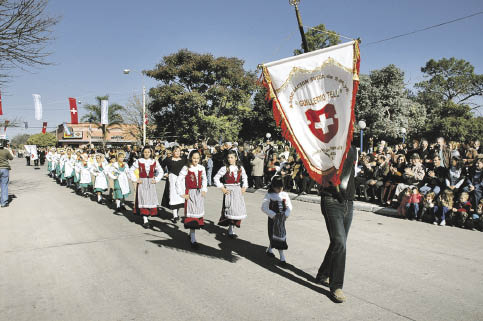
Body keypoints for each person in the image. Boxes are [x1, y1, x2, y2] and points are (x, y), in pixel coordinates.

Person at [315, 146, 356, 303]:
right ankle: (336, 286)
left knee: (338, 242)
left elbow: (350, 173)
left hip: (348, 201)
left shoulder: (352, 148)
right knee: (340, 242)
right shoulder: (327, 146)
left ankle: (323, 274)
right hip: (331, 199)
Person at [176, 150, 207, 249]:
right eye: (194, 158)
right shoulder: (186, 168)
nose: (196, 160)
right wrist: (181, 193)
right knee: (192, 216)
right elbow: (178, 180)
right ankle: (193, 239)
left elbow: (205, 179)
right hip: (190, 193)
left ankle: (191, 234)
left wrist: (204, 189)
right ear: (190, 158)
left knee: (196, 215)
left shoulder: (201, 168)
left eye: (198, 158)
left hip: (199, 194)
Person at [214, 150, 248, 239]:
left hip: (237, 190)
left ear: (236, 158)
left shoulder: (240, 168)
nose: (230, 159)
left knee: (237, 210)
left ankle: (231, 229)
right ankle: (230, 229)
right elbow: (216, 178)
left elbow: (245, 177)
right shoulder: (225, 168)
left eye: (232, 157)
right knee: (230, 209)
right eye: (228, 157)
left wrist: (244, 187)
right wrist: (222, 188)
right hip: (229, 190)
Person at [130, 147, 164, 229]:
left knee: (150, 199)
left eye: (148, 152)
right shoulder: (139, 161)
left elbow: (161, 171)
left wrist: (156, 179)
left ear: (151, 153)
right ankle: (145, 220)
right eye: (145, 152)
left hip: (151, 183)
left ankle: (148, 215)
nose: (147, 153)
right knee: (143, 199)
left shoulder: (154, 161)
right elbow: (130, 170)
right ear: (142, 153)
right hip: (142, 182)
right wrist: (136, 179)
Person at [261, 175, 292, 265]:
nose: (280, 189)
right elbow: (264, 207)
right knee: (274, 235)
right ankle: (282, 257)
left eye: (281, 187)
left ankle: (269, 249)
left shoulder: (285, 195)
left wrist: (286, 215)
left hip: (282, 219)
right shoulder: (269, 195)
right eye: (277, 187)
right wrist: (273, 215)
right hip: (273, 219)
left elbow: (289, 206)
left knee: (280, 235)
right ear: (273, 186)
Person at [161, 146, 186, 222]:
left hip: (181, 182)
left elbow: (189, 167)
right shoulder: (168, 160)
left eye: (179, 151)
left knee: (179, 197)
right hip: (171, 181)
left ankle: (176, 214)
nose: (177, 152)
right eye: (176, 151)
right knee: (173, 197)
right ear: (172, 152)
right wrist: (165, 174)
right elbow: (160, 166)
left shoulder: (184, 160)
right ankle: (175, 216)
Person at [0, 141, 14, 207]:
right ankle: (3, 202)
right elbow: (11, 158)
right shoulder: (6, 151)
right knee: (4, 185)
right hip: (4, 168)